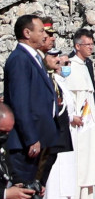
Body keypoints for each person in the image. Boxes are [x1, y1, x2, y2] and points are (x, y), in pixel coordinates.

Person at [4, 15, 55, 186]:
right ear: (27, 32)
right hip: (24, 144)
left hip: (37, 139)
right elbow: (20, 103)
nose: (45, 35)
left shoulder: (34, 57)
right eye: (41, 31)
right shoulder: (19, 59)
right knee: (23, 191)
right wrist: (31, 138)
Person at [65, 31, 95, 199]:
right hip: (78, 120)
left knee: (89, 156)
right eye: (87, 45)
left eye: (92, 44)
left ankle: (86, 194)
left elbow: (91, 88)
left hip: (89, 120)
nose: (91, 48)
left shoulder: (86, 65)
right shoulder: (70, 65)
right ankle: (75, 196)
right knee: (79, 157)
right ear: (77, 46)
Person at [43, 50, 77, 199]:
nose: (61, 63)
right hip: (57, 130)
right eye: (59, 61)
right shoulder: (52, 80)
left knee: (65, 170)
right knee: (56, 171)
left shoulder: (61, 82)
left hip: (65, 130)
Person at [1, 102, 38, 199]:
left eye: (8, 132)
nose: (5, 137)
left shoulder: (2, 145)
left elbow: (10, 172)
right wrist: (6, 194)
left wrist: (28, 185)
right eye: (2, 132)